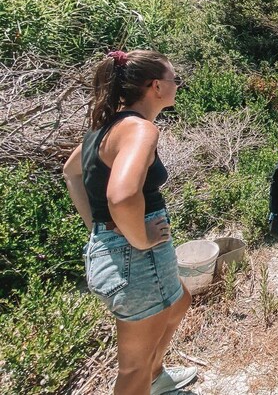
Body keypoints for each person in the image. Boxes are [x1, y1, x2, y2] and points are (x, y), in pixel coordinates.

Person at [62, 50, 196, 395]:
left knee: (180, 301)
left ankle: (157, 376)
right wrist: (140, 239)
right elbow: (121, 196)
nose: (176, 86)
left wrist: (99, 227)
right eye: (174, 80)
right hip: (136, 260)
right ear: (156, 87)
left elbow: (71, 173)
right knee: (131, 370)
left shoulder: (104, 127)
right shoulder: (140, 129)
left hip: (114, 252)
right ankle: (148, 378)